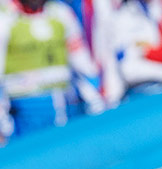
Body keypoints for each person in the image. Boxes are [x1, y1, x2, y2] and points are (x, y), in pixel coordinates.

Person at [0, 0, 105, 141]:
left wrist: (96, 100)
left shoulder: (60, 12)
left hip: (67, 105)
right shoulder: (5, 16)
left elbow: (83, 65)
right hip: (26, 112)